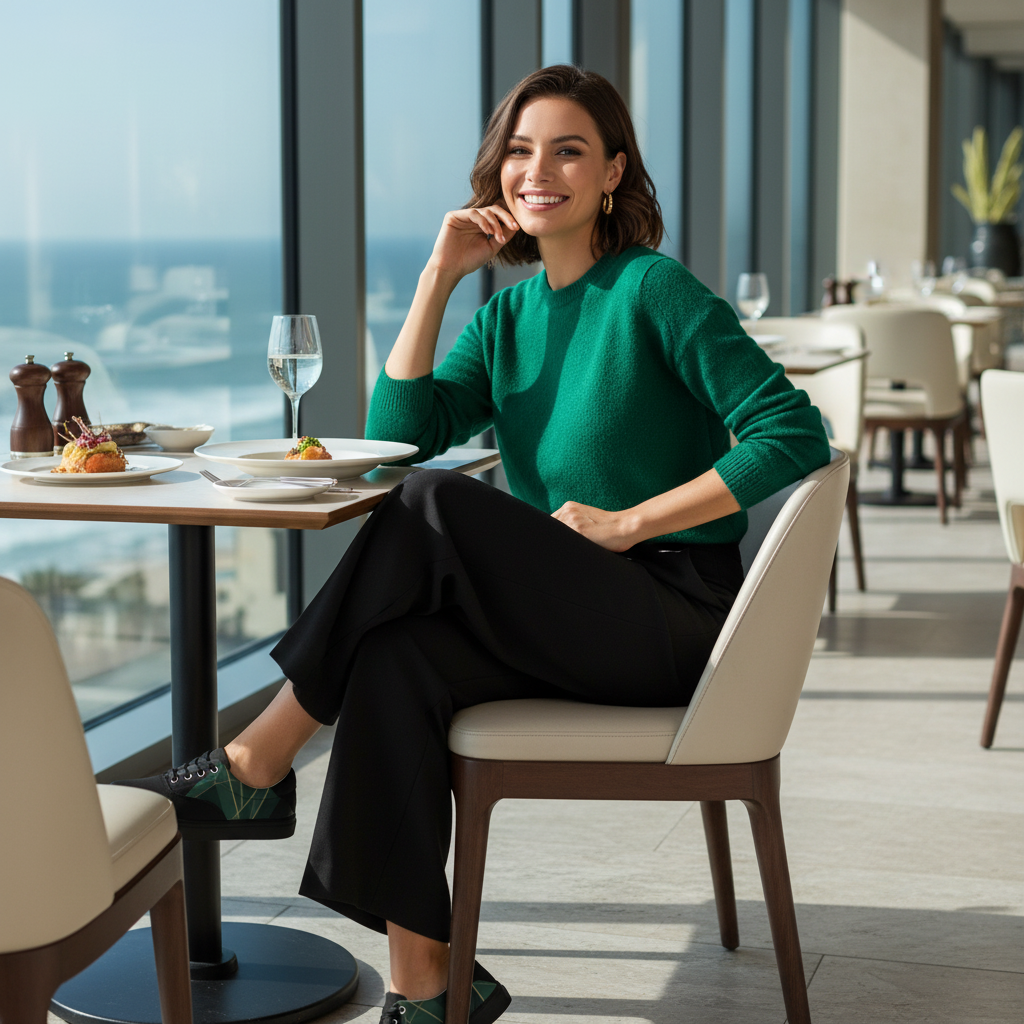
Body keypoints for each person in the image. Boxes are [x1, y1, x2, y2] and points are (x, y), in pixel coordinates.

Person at [118, 65, 830, 1024]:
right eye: (522, 152)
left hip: (674, 615)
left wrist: (628, 522)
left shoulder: (653, 290)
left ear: (613, 172)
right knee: (392, 656)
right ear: (498, 174)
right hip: (579, 609)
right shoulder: (506, 317)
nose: (541, 171)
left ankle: (257, 760)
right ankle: (427, 983)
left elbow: (793, 432)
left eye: (570, 150)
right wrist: (438, 277)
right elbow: (396, 432)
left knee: (433, 504)